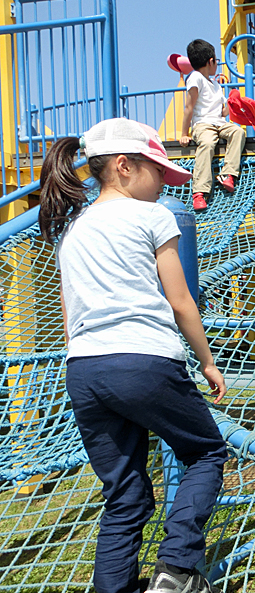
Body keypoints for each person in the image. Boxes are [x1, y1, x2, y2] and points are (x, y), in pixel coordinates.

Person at [38, 118, 228, 593]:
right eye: (159, 171)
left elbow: (69, 316)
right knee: (205, 451)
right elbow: (181, 300)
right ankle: (179, 568)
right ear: (124, 166)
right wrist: (206, 361)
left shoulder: (73, 228)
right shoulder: (153, 216)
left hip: (83, 369)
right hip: (145, 358)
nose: (165, 182)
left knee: (123, 494)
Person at [180, 38, 246, 211]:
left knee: (238, 132)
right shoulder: (195, 78)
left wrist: (234, 104)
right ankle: (199, 191)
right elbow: (189, 107)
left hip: (219, 122)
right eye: (216, 60)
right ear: (211, 61)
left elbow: (223, 111)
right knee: (208, 143)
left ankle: (227, 174)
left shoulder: (215, 84)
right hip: (203, 124)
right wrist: (184, 133)